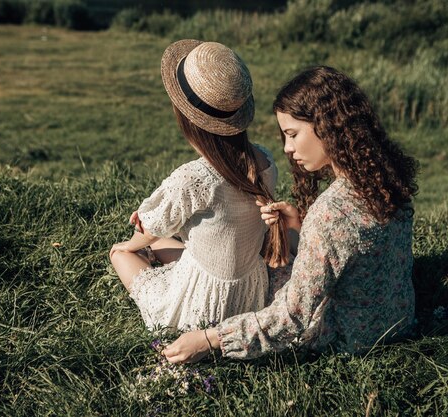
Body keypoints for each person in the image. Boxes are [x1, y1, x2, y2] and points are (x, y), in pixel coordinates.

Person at [163, 65, 419, 363]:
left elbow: (292, 316)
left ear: (327, 125)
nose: (287, 148)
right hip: (397, 320)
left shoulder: (331, 212)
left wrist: (211, 339)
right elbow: (357, 251)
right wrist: (300, 224)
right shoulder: (386, 180)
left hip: (347, 339)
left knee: (264, 273)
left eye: (293, 134)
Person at [109, 40, 289, 331]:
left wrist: (130, 245)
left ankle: (136, 258)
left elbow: (152, 229)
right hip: (249, 294)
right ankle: (154, 256)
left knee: (121, 254)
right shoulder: (265, 162)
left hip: (202, 305)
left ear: (184, 116)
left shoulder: (194, 178)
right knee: (170, 246)